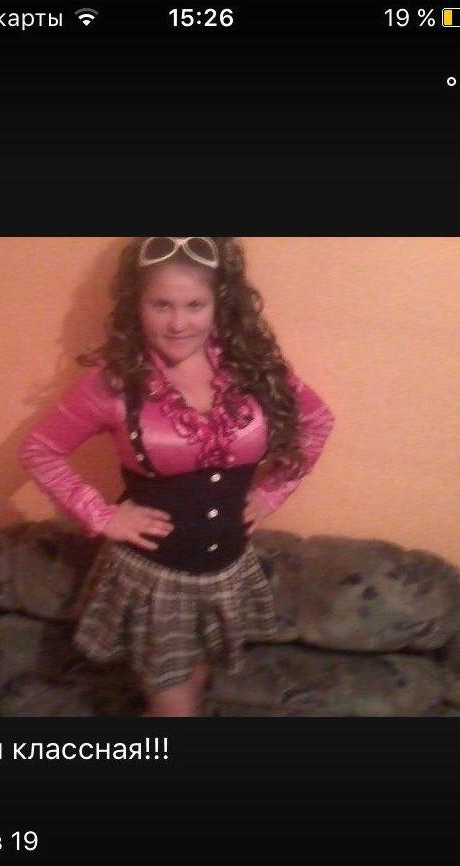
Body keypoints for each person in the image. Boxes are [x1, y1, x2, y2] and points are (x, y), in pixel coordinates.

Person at [18, 237, 335, 716]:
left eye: (195, 305)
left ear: (218, 303)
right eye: (161, 304)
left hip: (227, 570)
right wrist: (100, 515)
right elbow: (40, 450)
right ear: (136, 304)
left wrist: (273, 493)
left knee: (194, 686)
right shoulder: (112, 384)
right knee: (177, 709)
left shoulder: (254, 370)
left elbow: (317, 421)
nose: (179, 323)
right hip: (155, 583)